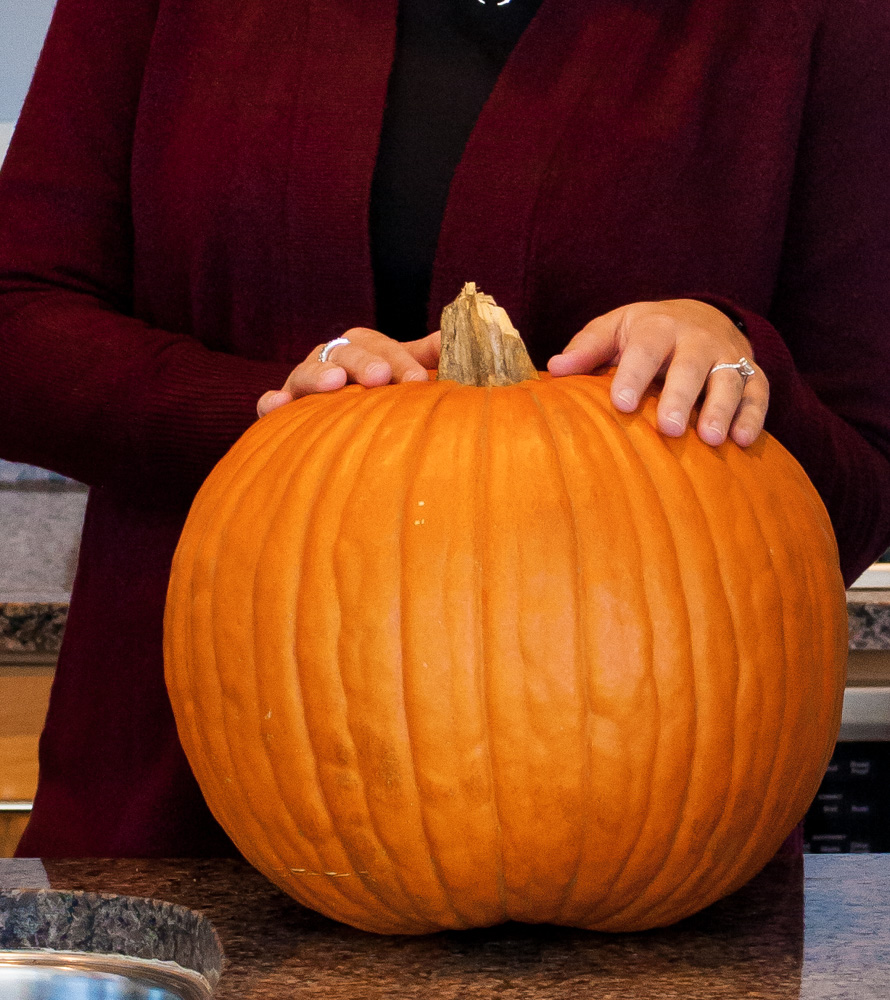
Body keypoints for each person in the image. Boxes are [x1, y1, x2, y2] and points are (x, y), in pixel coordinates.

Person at [1, 0, 888, 858]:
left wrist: (733, 366)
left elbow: (866, 489)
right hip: (176, 815)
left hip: (660, 864)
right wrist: (283, 425)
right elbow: (18, 327)